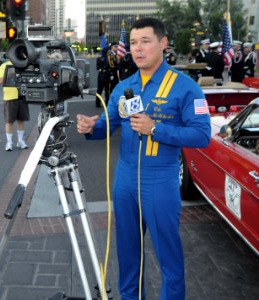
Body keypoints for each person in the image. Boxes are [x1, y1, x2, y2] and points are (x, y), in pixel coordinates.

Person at [76, 18, 210, 300]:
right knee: (127, 255)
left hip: (160, 181)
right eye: (134, 43)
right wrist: (92, 126)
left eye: (145, 42)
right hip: (125, 180)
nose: (138, 49)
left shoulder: (186, 88)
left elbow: (201, 135)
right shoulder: (124, 86)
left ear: (163, 44)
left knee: (169, 259)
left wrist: (156, 129)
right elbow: (109, 124)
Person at [0, 59, 29, 151]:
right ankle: (9, 142)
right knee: (9, 121)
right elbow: (0, 81)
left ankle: (20, 141)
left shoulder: (23, 64)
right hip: (10, 97)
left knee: (21, 120)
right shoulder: (4, 65)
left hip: (22, 95)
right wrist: (12, 74)